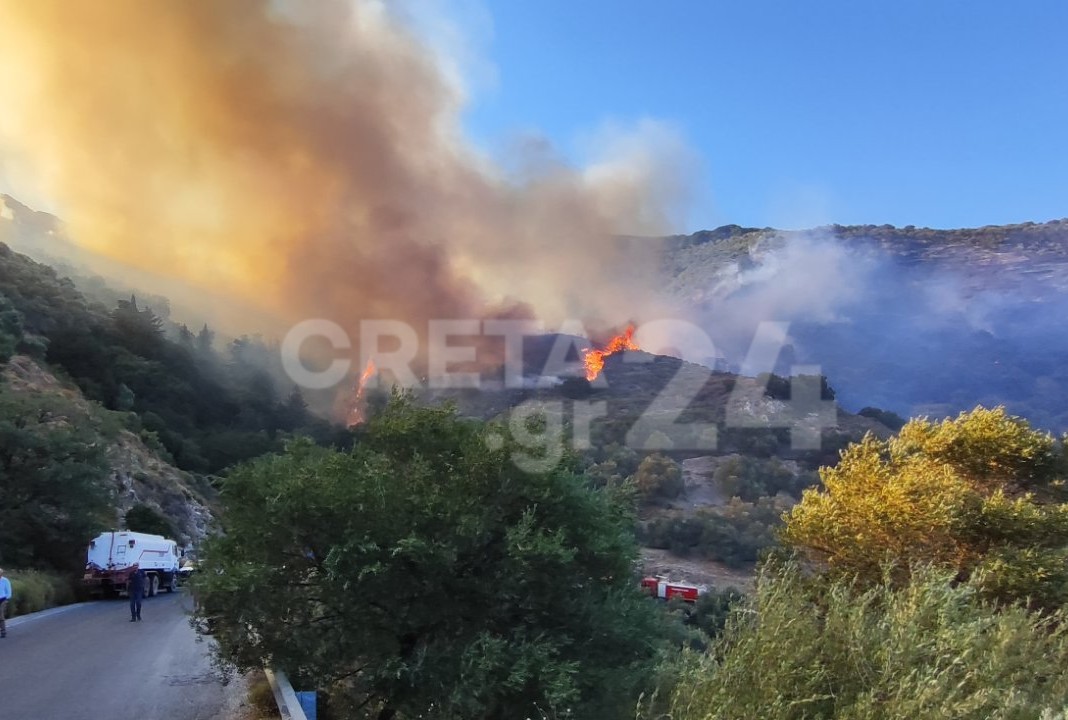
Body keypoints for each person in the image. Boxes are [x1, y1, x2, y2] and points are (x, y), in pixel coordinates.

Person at [0, 567, 11, 638]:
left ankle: (3, 632)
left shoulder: (5, 580)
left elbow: (9, 591)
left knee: (0, 614)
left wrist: (7, 598)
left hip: (3, 599)